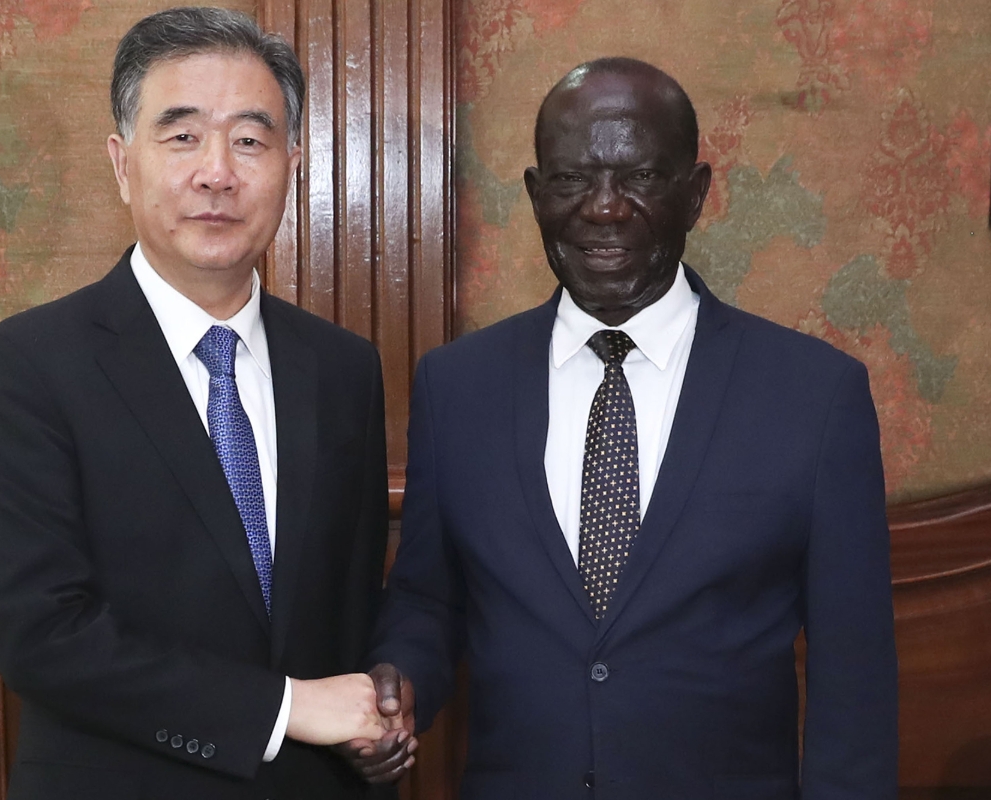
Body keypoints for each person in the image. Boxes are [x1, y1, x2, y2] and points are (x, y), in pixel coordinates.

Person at [354, 58, 898, 797]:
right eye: (573, 180)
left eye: (639, 178)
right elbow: (429, 597)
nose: (604, 209)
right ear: (536, 194)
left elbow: (854, 680)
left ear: (696, 194)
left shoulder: (814, 395)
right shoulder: (457, 386)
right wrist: (400, 679)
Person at [0, 8, 397, 798]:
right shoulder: (23, 369)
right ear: (122, 164)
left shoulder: (342, 369)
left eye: (252, 140)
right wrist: (284, 707)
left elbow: (353, 608)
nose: (218, 172)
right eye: (183, 135)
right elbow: (44, 637)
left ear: (293, 163)